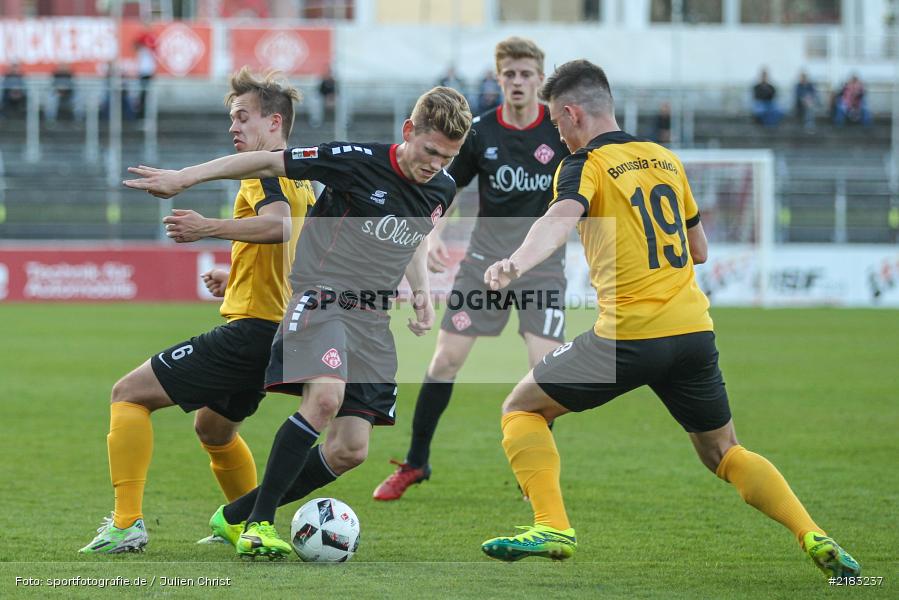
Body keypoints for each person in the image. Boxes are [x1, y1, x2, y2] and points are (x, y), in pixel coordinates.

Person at [478, 59, 860, 581]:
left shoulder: (583, 164)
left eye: (556, 120)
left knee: (520, 409)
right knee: (724, 451)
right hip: (693, 333)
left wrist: (514, 263)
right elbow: (698, 249)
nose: (557, 132)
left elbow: (558, 219)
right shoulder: (664, 159)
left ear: (572, 114)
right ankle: (811, 533)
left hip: (628, 337)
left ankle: (552, 525)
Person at [123, 86, 473, 558]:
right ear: (409, 131)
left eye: (447, 158)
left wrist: (422, 296)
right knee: (325, 397)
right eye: (430, 150)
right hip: (322, 297)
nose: (435, 164)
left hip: (372, 319)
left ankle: (234, 515)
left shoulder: (442, 187)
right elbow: (266, 162)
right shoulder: (354, 159)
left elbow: (413, 234)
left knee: (350, 449)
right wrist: (183, 178)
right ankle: (260, 525)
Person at [79, 68, 315, 554]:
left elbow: (277, 229)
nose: (234, 127)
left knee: (128, 394)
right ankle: (247, 524)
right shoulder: (304, 180)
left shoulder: (259, 168)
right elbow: (298, 250)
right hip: (279, 331)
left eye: (242, 117)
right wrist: (237, 277)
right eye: (231, 118)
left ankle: (126, 526)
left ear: (274, 122)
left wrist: (207, 227)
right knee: (213, 427)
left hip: (254, 331)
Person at [372, 37, 569, 502]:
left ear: (540, 80)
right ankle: (417, 463)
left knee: (546, 374)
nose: (518, 82)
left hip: (540, 269)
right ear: (498, 79)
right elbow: (442, 187)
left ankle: (534, 480)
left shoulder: (557, 134)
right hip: (483, 266)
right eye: (509, 75)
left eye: (526, 74)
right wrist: (434, 233)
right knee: (444, 361)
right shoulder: (480, 132)